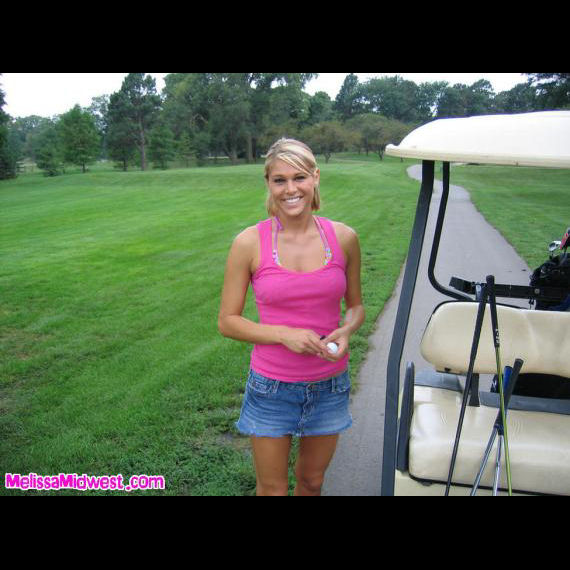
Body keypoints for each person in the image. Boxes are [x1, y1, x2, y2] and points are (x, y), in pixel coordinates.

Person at [218, 138, 365, 496]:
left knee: (312, 482)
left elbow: (356, 306)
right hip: (271, 387)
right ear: (268, 183)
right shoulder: (249, 242)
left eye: (299, 177)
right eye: (279, 180)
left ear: (315, 177)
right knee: (272, 488)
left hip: (330, 384)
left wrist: (347, 329)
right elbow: (228, 321)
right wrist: (284, 334)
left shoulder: (344, 238)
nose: (290, 189)